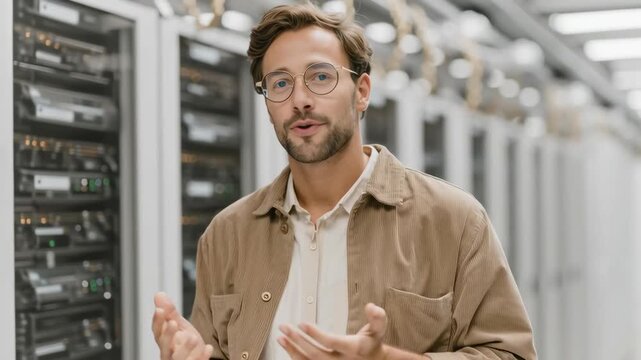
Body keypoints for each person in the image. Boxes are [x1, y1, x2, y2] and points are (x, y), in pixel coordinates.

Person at [152, 3, 536, 360]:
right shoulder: (226, 235)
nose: (300, 99)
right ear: (267, 103)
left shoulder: (453, 220)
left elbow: (510, 354)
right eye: (280, 83)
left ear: (362, 92)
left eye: (320, 76)